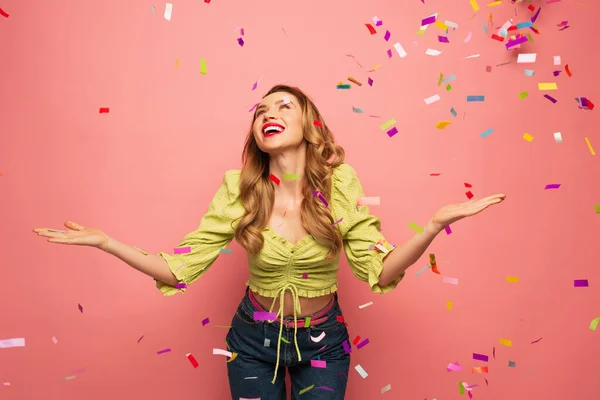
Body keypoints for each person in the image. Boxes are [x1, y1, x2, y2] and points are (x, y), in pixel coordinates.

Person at [33, 84, 505, 399]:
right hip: (252, 340)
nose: (268, 114)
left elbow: (379, 270)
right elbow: (179, 268)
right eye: (261, 110)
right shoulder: (239, 188)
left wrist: (432, 227)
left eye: (283, 106)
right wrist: (106, 243)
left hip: (323, 342)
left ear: (309, 124)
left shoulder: (341, 184)